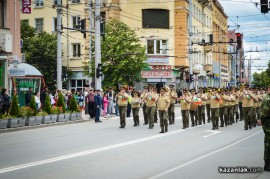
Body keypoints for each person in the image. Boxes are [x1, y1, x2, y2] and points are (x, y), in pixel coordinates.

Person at [259, 84, 270, 171]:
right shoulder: (267, 98)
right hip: (268, 122)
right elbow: (265, 111)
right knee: (268, 143)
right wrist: (261, 120)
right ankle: (267, 164)